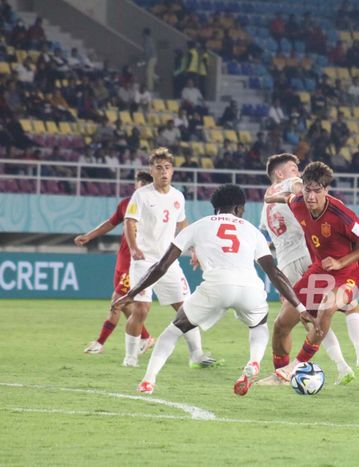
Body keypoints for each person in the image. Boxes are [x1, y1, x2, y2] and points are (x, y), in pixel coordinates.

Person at [115, 184, 306, 396]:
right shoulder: (252, 231)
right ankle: (253, 361)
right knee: (259, 324)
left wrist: (132, 293)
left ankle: (148, 381)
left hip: (215, 287)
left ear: (215, 207)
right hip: (248, 287)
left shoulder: (197, 227)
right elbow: (274, 272)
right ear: (237, 208)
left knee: (174, 330)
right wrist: (299, 305)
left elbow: (161, 266)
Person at [259, 162, 359, 384]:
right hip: (318, 270)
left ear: (326, 190)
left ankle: (297, 365)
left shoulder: (341, 214)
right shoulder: (299, 203)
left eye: (317, 190)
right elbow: (287, 198)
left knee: (327, 308)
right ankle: (281, 375)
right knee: (282, 323)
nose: (311, 196)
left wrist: (341, 262)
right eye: (307, 190)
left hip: (347, 274)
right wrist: (270, 198)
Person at [260, 154, 355, 384]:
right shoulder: (290, 184)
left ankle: (284, 372)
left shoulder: (265, 207)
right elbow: (300, 186)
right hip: (306, 256)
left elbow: (275, 235)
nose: (299, 172)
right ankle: (345, 364)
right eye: (294, 168)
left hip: (287, 263)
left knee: (300, 319)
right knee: (320, 315)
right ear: (280, 174)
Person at [122, 148, 215, 368]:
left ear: (172, 171)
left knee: (186, 308)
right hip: (144, 261)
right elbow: (129, 221)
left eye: (167, 168)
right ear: (151, 171)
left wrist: (193, 250)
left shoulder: (177, 196)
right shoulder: (142, 195)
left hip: (167, 262)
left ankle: (197, 355)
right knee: (142, 309)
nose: (164, 172)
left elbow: (182, 225)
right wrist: (134, 247)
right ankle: (130, 357)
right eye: (159, 168)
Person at [77, 171, 155, 354]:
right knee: (126, 304)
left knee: (116, 302)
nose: (141, 188)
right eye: (139, 184)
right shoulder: (127, 204)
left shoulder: (155, 207)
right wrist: (89, 236)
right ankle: (146, 338)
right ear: (136, 186)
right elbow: (110, 223)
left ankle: (100, 343)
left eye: (146, 185)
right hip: (122, 261)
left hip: (136, 263)